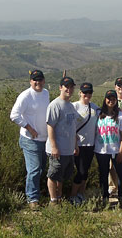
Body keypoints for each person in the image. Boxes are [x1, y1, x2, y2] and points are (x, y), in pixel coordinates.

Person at [10, 69, 50, 210]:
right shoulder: (25, 96)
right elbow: (14, 115)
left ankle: (39, 194)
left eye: (40, 79)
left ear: (44, 81)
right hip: (30, 139)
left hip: (44, 139)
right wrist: (29, 128)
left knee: (41, 169)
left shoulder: (46, 93)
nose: (37, 82)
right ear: (30, 81)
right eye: (35, 80)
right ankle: (32, 199)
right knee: (34, 169)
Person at [45, 76, 81, 205]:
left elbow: (73, 128)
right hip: (57, 149)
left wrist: (75, 144)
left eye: (71, 87)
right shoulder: (55, 105)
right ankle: (53, 200)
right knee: (53, 174)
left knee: (62, 176)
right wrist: (54, 147)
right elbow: (50, 127)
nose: (69, 89)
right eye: (67, 87)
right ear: (61, 87)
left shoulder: (70, 106)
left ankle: (59, 197)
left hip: (68, 149)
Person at [95, 90, 122, 207]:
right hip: (101, 150)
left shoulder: (121, 115)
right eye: (109, 98)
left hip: (116, 150)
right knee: (103, 175)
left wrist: (121, 151)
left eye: (113, 99)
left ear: (116, 101)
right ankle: (105, 198)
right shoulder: (98, 114)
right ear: (105, 100)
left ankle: (121, 197)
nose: (111, 101)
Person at [69, 82, 100, 205]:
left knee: (85, 171)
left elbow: (106, 113)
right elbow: (69, 125)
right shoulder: (74, 106)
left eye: (89, 92)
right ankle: (72, 196)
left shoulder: (95, 108)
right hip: (78, 145)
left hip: (90, 144)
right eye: (84, 92)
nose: (87, 95)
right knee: (80, 171)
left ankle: (81, 194)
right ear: (80, 93)